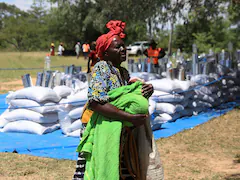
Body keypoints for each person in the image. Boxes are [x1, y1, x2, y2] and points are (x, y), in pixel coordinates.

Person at [73, 20, 164, 180]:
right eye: (118, 47)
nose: (123, 49)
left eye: (124, 46)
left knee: (120, 168)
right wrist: (128, 117)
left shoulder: (123, 72)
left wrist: (145, 91)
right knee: (96, 167)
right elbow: (95, 102)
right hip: (99, 127)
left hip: (117, 126)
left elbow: (126, 97)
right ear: (106, 52)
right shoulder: (102, 68)